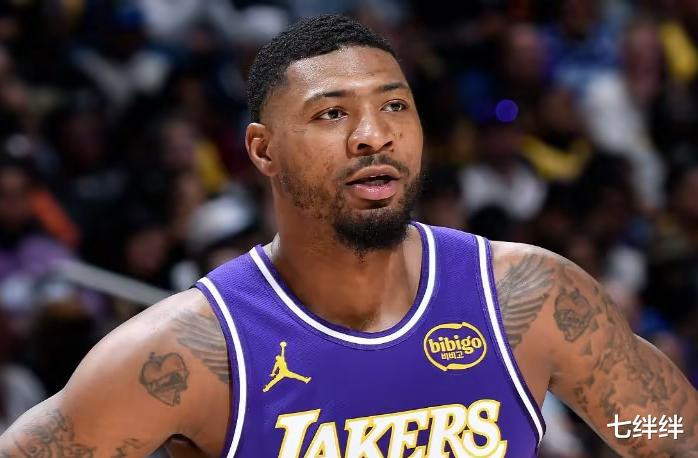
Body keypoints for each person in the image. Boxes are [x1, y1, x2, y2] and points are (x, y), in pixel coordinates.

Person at [1, 14, 696, 458]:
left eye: (395, 105)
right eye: (331, 114)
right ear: (263, 149)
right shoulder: (188, 351)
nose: (373, 135)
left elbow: (671, 433)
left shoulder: (528, 295)